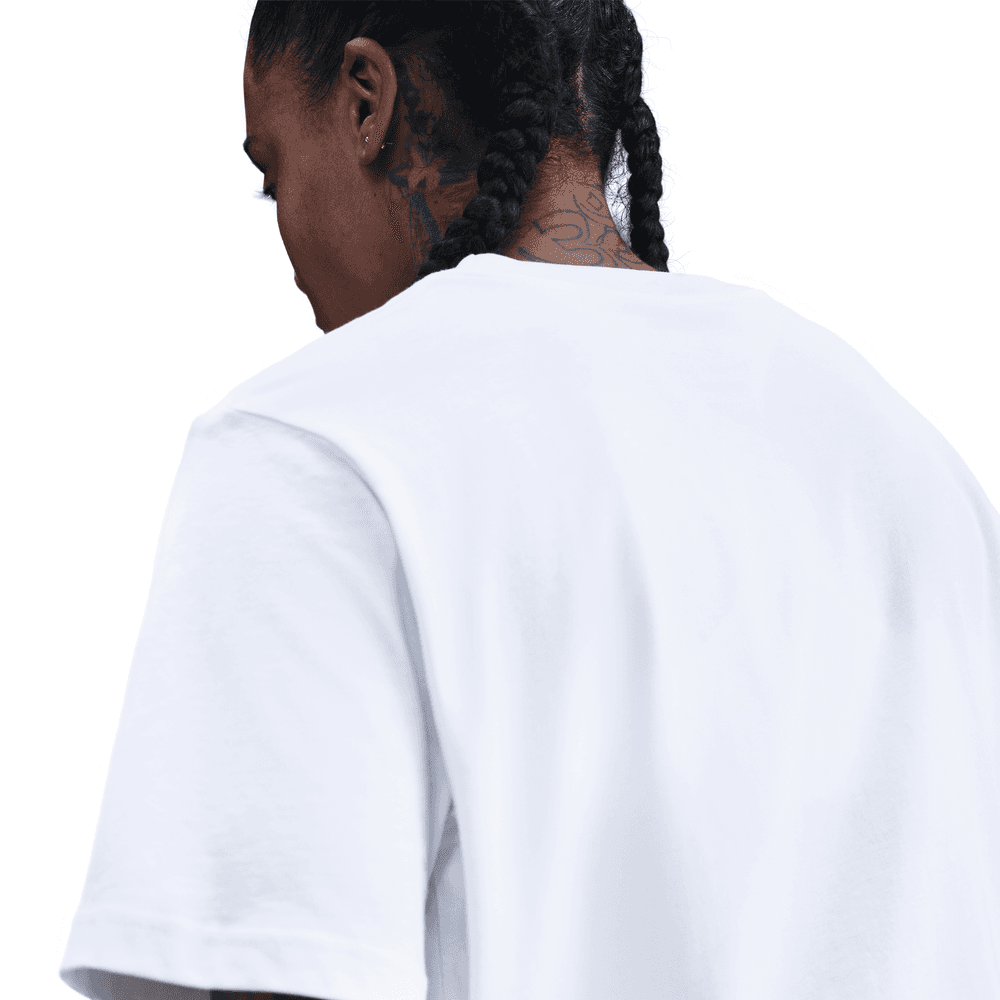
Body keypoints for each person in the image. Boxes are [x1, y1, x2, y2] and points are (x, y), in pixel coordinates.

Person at [60, 2, 1000, 999]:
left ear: (367, 101)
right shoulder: (905, 461)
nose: (288, 248)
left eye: (272, 173)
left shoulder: (318, 449)